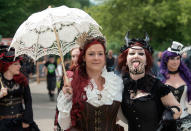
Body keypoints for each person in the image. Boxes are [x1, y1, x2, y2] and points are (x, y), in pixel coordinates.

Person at [57, 31, 124, 130]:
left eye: (100, 54)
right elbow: (64, 125)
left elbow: (123, 117)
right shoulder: (73, 83)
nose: (96, 58)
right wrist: (67, 98)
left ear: (104, 57)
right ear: (84, 57)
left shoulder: (116, 82)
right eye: (91, 54)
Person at [118, 33, 182, 131]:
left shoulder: (157, 85)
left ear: (147, 60)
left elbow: (177, 108)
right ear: (126, 60)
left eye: (141, 53)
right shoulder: (121, 86)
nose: (136, 56)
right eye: (131, 53)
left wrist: (170, 113)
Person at [0, 47, 39, 131]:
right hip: (2, 124)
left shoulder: (22, 80)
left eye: (19, 64)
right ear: (8, 66)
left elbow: (28, 101)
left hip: (20, 123)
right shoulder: (0, 80)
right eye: (16, 64)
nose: (19, 66)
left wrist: (27, 120)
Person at [160, 41, 191, 130]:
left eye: (178, 58)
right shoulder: (159, 78)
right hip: (167, 121)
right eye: (172, 58)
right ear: (166, 60)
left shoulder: (187, 77)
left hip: (187, 122)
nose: (175, 61)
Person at [54, 47, 80, 131]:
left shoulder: (89, 73)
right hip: (67, 116)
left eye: (78, 56)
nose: (75, 59)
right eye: (73, 56)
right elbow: (60, 101)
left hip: (82, 116)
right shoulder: (67, 74)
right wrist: (56, 122)